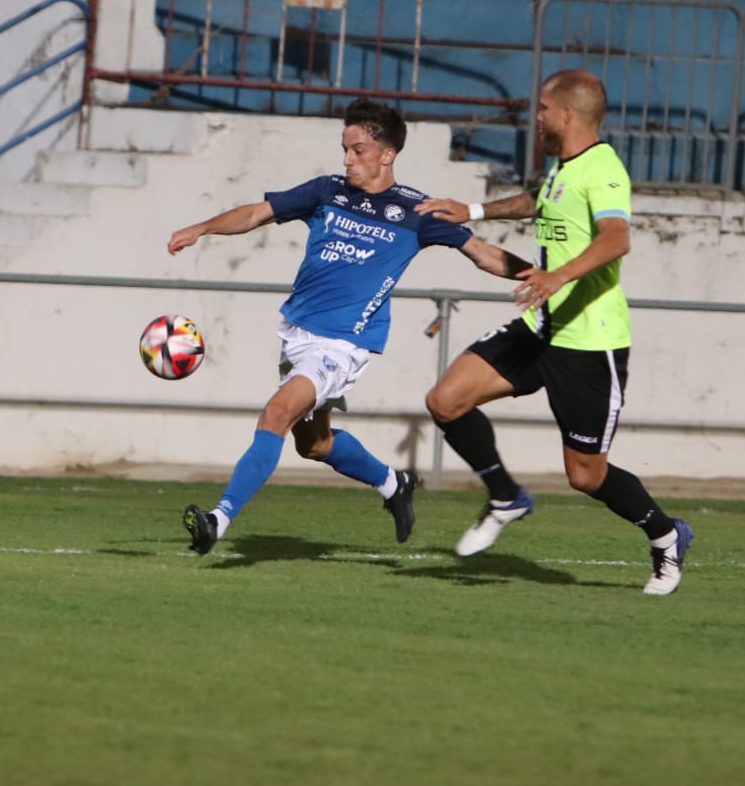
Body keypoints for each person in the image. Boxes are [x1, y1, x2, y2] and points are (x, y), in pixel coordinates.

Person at [169, 98, 530, 555]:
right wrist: (201, 228)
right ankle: (393, 483)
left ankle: (218, 521)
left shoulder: (418, 211)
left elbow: (484, 254)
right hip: (297, 333)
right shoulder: (327, 190)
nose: (347, 159)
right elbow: (258, 212)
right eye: (345, 148)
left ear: (387, 154)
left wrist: (541, 276)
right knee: (314, 444)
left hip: (343, 344)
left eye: (357, 150)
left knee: (277, 413)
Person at [416, 69, 694, 595]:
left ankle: (665, 535)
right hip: (539, 328)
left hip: (590, 343)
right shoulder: (562, 169)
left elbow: (617, 239)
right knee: (446, 399)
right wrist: (472, 210)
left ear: (567, 114)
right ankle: (506, 497)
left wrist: (556, 276)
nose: (536, 117)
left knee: (586, 476)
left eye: (542, 108)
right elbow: (538, 198)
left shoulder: (604, 168)